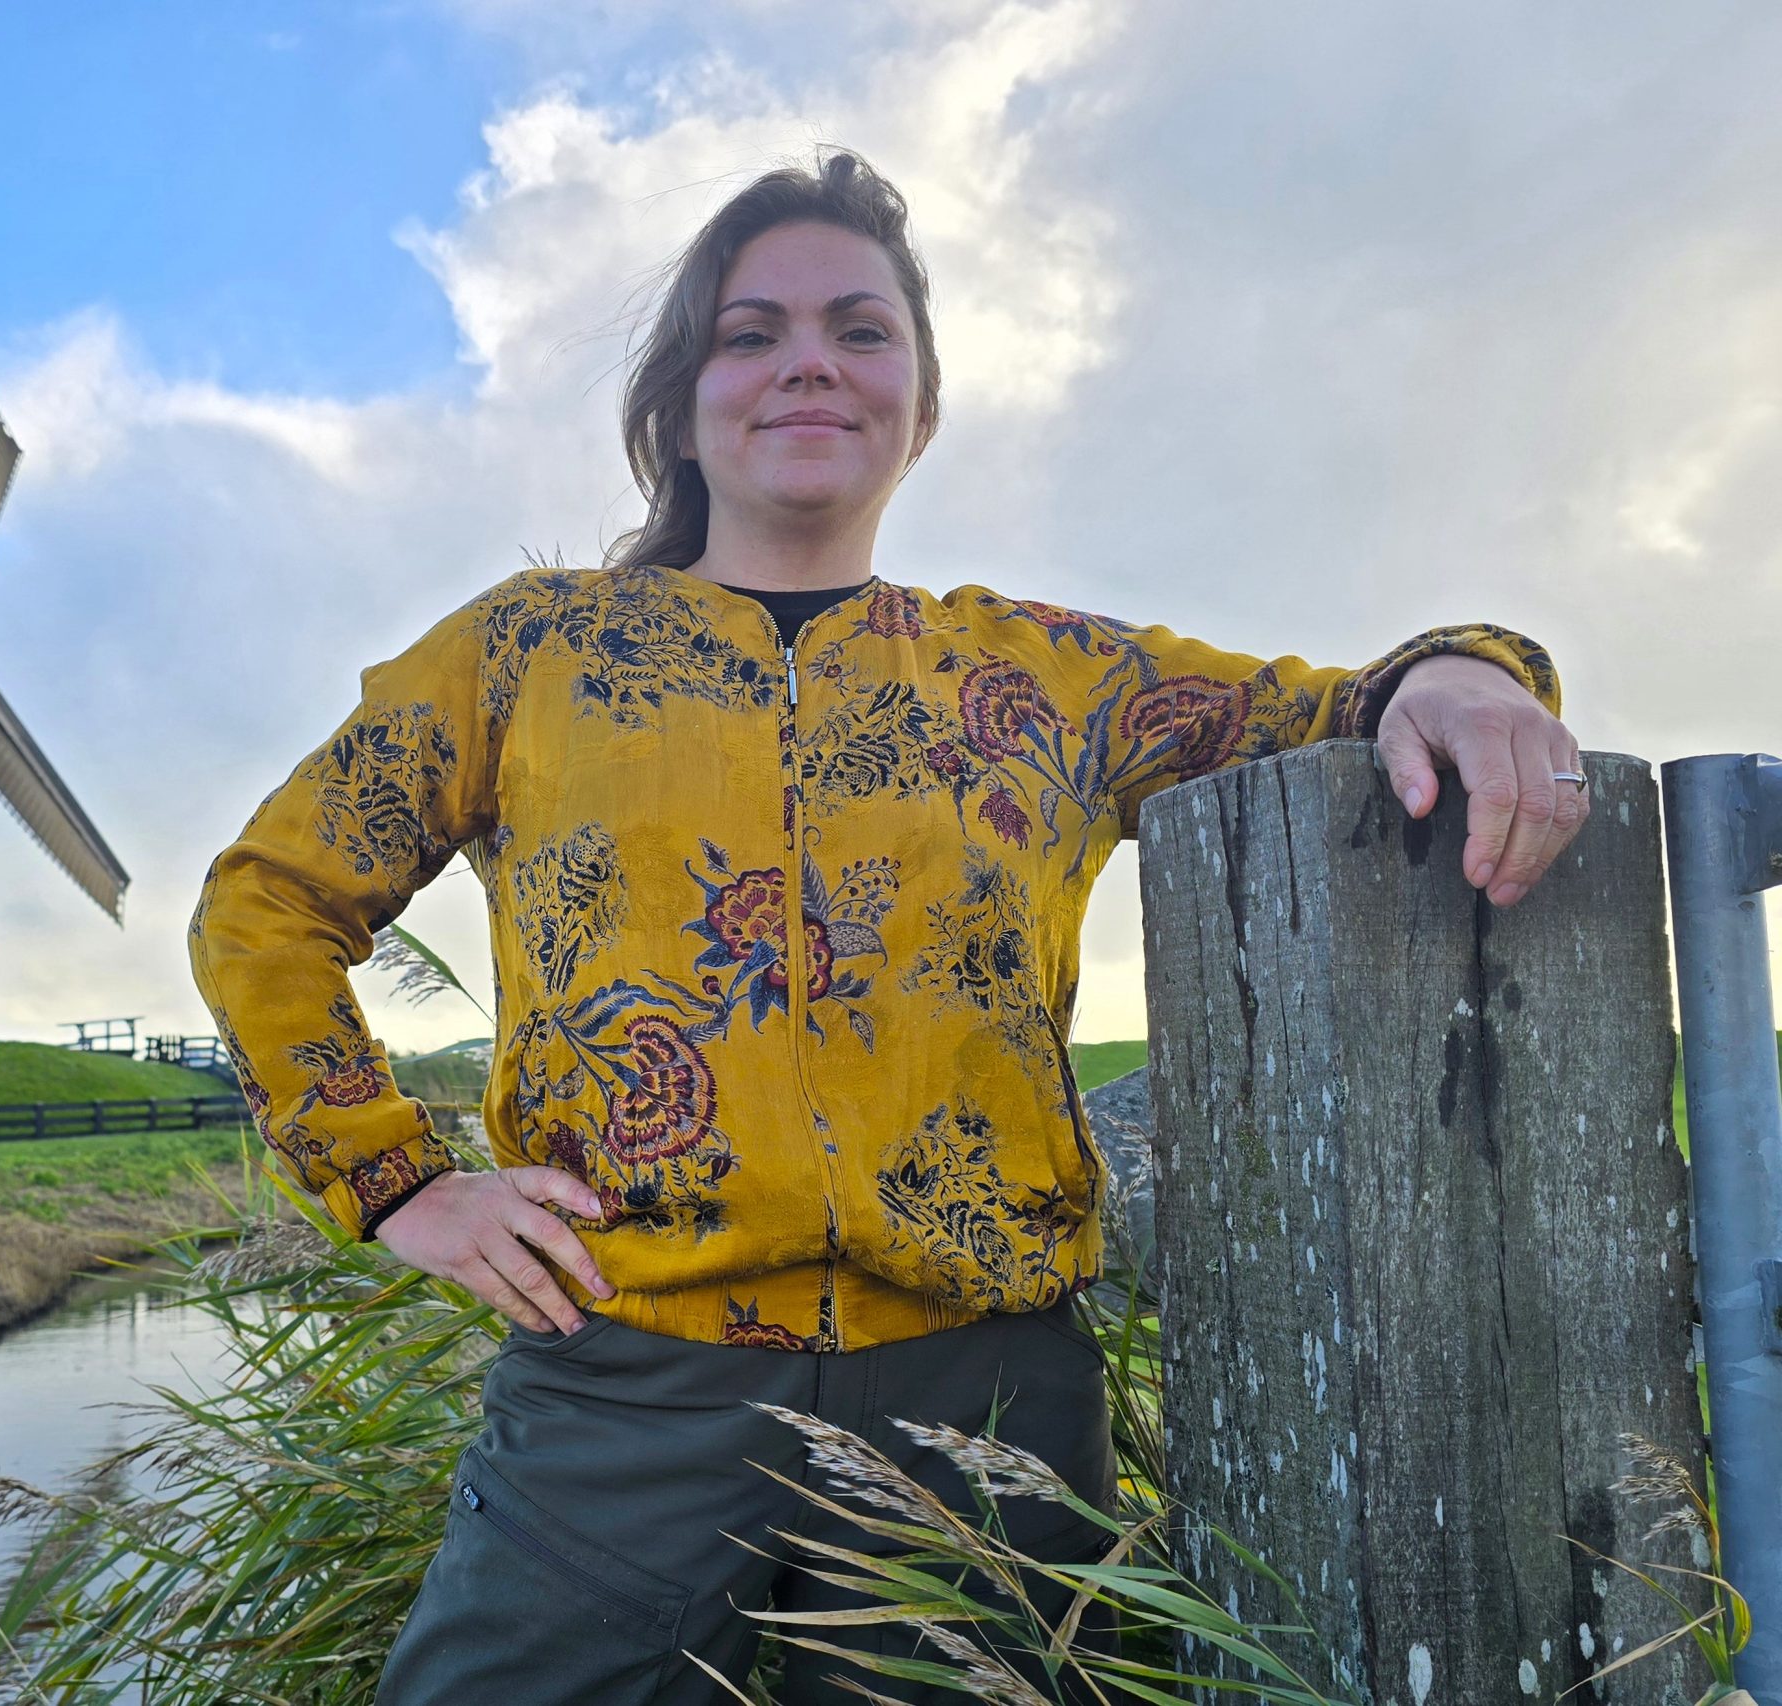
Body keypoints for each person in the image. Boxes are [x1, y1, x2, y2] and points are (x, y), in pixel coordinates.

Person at [186, 148, 1583, 1705]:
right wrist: (396, 1180)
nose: (810, 361)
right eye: (752, 332)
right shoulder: (531, 654)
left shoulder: (1043, 676)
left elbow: (1339, 706)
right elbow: (267, 901)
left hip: (986, 1408)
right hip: (621, 1388)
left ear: (918, 408)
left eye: (861, 329)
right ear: (680, 409)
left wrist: (1466, 669)